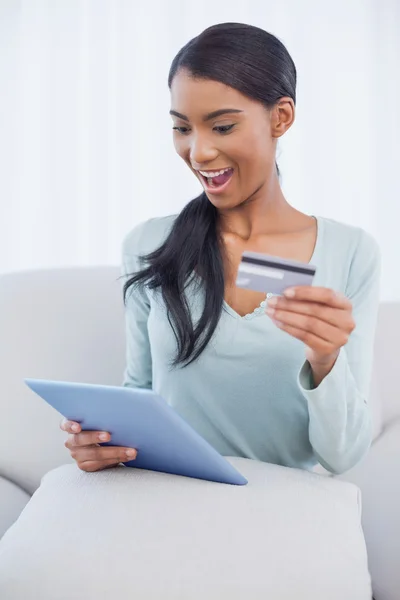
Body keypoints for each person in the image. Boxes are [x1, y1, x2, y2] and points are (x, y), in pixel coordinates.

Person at [61, 22, 380, 476]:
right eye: (181, 128)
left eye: (223, 126)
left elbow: (342, 455)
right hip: (170, 498)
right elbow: (140, 392)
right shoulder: (149, 244)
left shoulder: (350, 252)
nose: (198, 152)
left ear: (281, 117)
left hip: (285, 509)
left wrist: (325, 362)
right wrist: (103, 445)